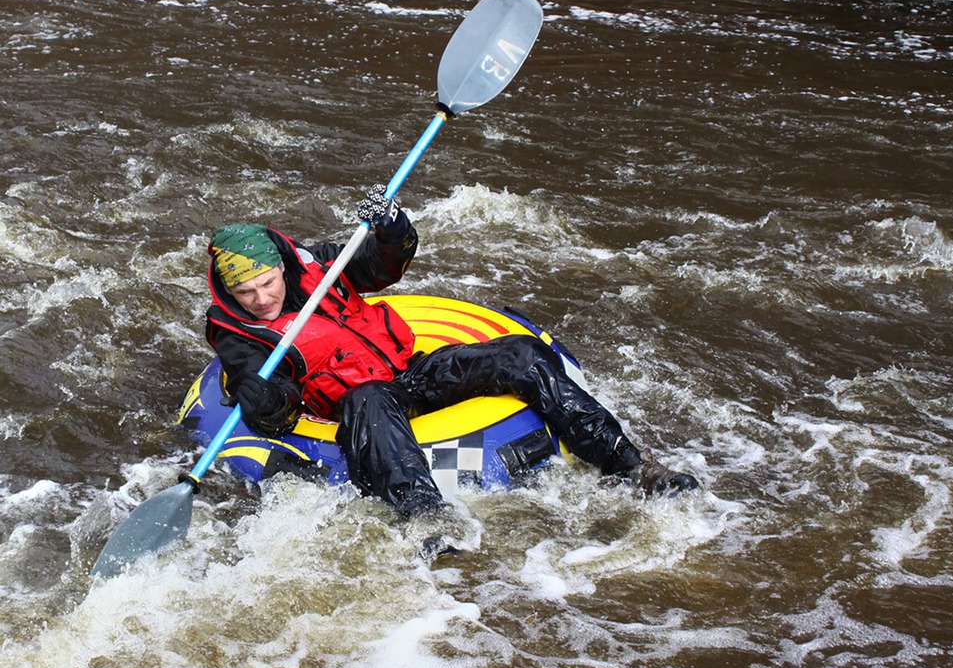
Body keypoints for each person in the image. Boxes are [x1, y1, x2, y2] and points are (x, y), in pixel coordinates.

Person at [204, 186, 698, 522]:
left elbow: (381, 269)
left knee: (522, 355)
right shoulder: (234, 333)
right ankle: (426, 518)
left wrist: (393, 232)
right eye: (245, 292)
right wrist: (267, 402)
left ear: (281, 271)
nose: (260, 299)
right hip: (355, 405)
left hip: (411, 372)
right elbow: (278, 406)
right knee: (370, 400)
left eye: (266, 283)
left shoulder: (323, 264)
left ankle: (633, 467)